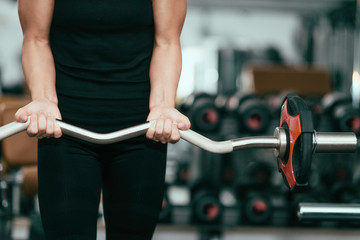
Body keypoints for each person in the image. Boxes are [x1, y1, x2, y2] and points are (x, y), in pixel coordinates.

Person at [15, 0, 190, 239]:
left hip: (143, 129)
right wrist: (44, 99)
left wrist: (162, 105)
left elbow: (167, 41)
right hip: (64, 128)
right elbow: (36, 38)